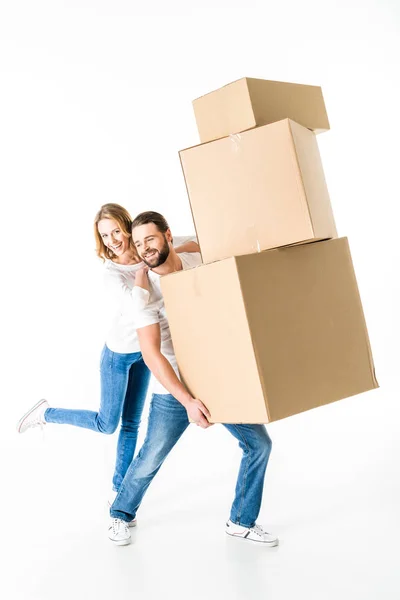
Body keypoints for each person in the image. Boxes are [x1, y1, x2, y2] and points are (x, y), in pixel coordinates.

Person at [108, 211, 278, 547]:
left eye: (151, 239)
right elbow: (151, 354)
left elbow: (205, 243)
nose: (145, 248)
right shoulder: (143, 294)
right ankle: (120, 513)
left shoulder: (195, 260)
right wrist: (187, 401)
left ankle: (241, 521)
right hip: (174, 389)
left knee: (259, 445)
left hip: (214, 377)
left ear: (168, 236)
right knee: (151, 457)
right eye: (139, 243)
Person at [16, 203, 199, 500]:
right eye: (105, 236)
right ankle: (47, 413)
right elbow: (138, 306)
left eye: (116, 231)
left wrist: (180, 249)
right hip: (120, 352)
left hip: (146, 351)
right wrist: (143, 269)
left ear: (127, 227)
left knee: (132, 423)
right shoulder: (112, 274)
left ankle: (119, 488)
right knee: (107, 423)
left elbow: (189, 242)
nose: (113, 240)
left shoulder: (147, 245)